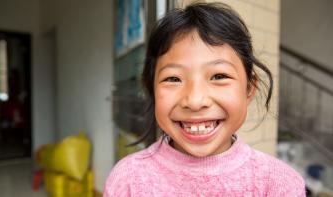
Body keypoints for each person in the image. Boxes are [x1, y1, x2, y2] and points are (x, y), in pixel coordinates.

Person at [104, 2, 305, 196]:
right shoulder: (127, 180)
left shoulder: (279, 184)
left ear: (249, 88)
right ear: (152, 89)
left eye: (219, 76)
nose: (195, 101)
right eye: (173, 78)